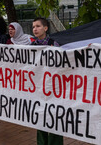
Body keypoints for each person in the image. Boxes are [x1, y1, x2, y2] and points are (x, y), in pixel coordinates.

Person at [31, 17, 63, 145]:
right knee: (40, 117)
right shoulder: (31, 46)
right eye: (33, 27)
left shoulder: (53, 44)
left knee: (55, 117)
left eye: (38, 26)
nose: (35, 29)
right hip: (39, 88)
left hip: (53, 87)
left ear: (45, 28)